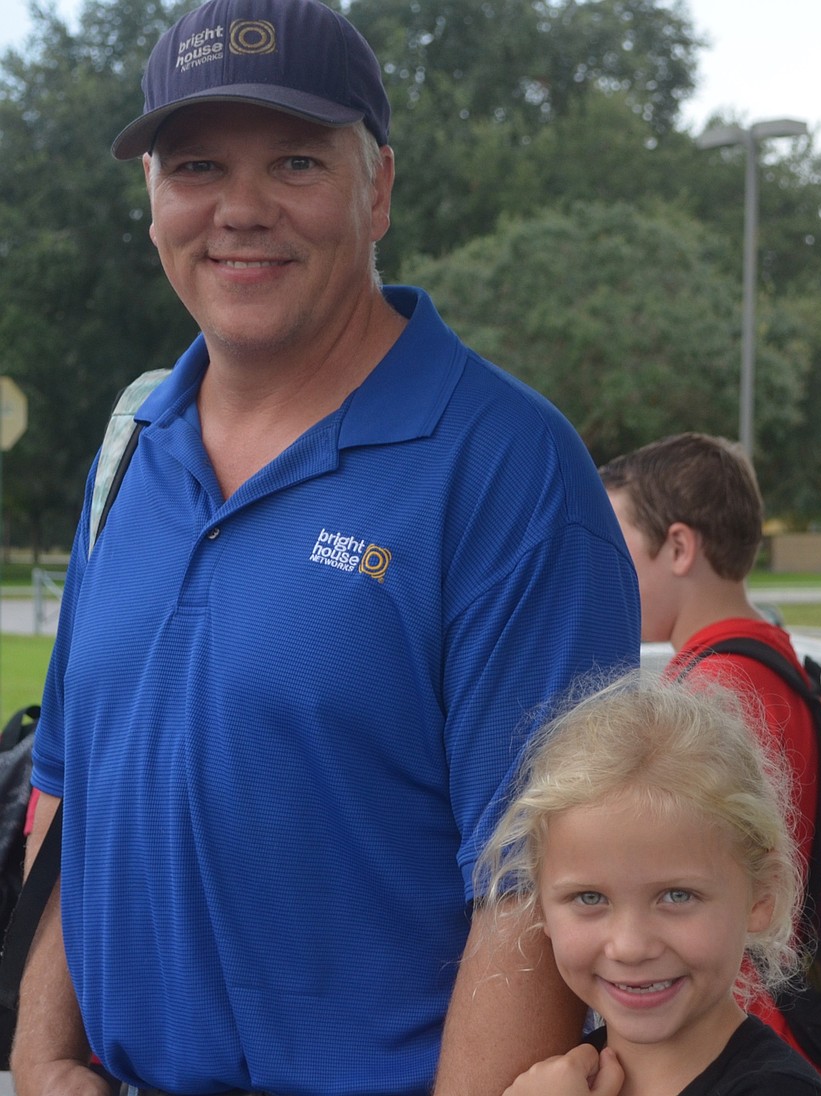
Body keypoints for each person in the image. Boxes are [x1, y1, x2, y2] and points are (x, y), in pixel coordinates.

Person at [11, 1, 640, 1095]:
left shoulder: (508, 469)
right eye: (197, 164)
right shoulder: (133, 442)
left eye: (295, 160)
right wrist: (42, 1053)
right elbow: (69, 781)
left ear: (378, 186)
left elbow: (535, 892)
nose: (240, 210)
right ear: (152, 198)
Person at [598, 432, 821, 1096]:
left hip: (737, 1039)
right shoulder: (769, 654)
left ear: (680, 547)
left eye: (616, 546)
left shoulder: (721, 692)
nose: (606, 571)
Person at [476, 671, 821, 1096]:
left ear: (761, 896)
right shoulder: (566, 1077)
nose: (629, 946)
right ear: (542, 906)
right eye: (589, 897)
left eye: (677, 896)